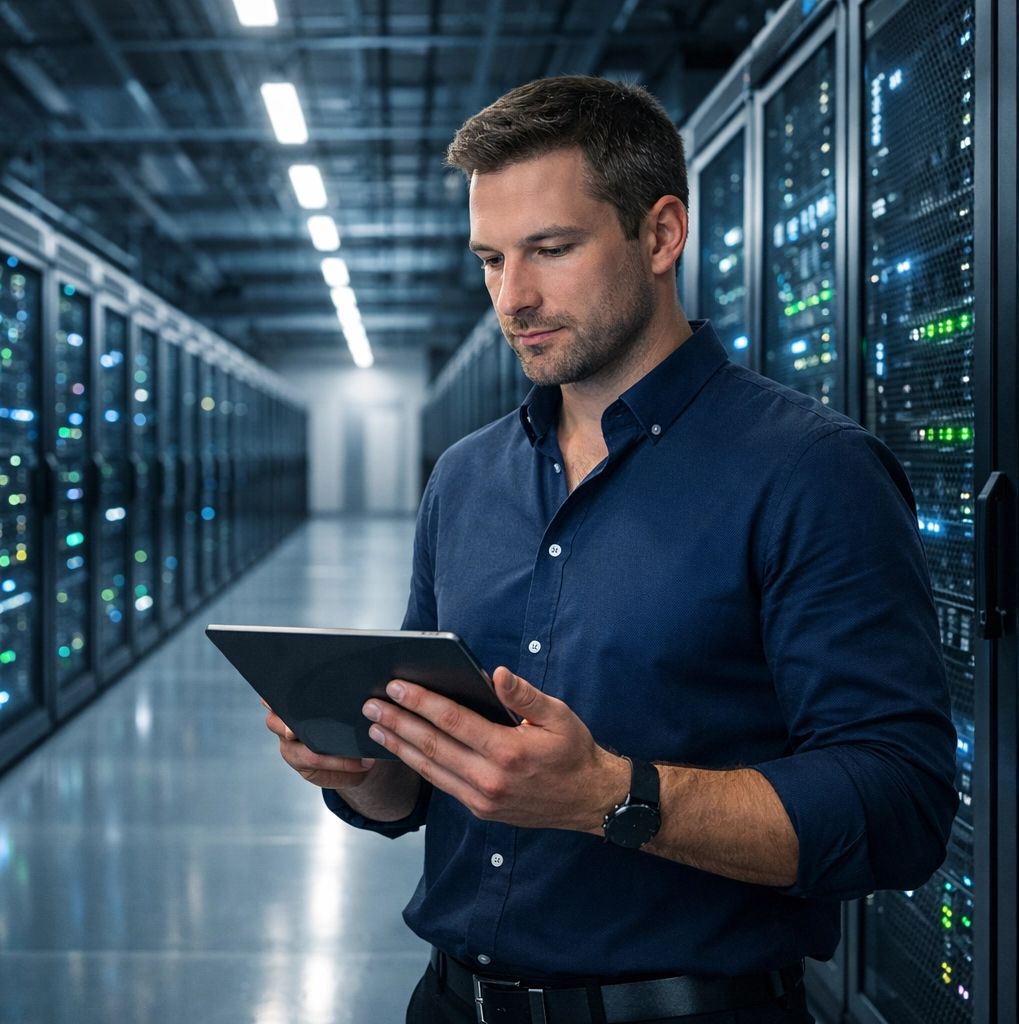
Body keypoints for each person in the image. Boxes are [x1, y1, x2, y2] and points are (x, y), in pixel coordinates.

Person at [266, 76, 957, 1024]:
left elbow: (900, 803)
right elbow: (419, 788)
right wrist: (364, 767)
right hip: (451, 1002)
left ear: (661, 234)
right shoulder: (465, 477)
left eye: (551, 250)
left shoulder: (810, 470)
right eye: (491, 259)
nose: (513, 297)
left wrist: (608, 796)